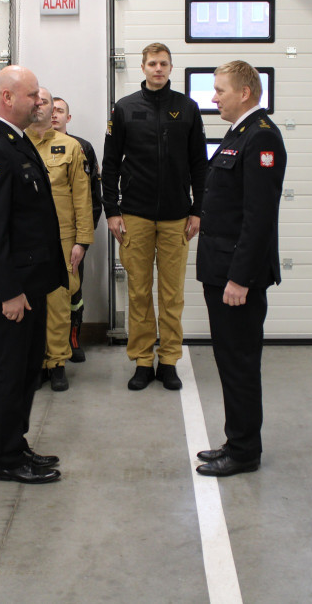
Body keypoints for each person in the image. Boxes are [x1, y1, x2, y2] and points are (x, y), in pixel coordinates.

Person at [0, 65, 66, 484]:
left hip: (31, 284)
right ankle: (6, 459)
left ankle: (17, 443)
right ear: (7, 97)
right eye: (32, 97)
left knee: (27, 370)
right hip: (13, 290)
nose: (38, 103)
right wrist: (8, 292)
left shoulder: (16, 142)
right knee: (10, 374)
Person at [195, 61, 287, 477]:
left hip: (236, 277)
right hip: (220, 269)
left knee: (240, 364)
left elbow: (259, 217)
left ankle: (245, 452)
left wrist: (240, 278)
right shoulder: (238, 134)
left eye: (220, 90)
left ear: (245, 93)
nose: (213, 97)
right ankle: (236, 440)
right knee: (229, 360)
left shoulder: (262, 138)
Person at [102, 42, 207, 391]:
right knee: (139, 291)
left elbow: (199, 165)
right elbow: (110, 164)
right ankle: (143, 360)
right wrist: (112, 212)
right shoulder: (125, 108)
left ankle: (169, 360)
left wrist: (198, 210)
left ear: (171, 67)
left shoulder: (187, 109)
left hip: (178, 216)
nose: (158, 69)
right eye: (152, 63)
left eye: (163, 63)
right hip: (135, 216)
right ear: (143, 68)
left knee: (172, 292)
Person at [26, 89, 93, 391]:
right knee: (31, 303)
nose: (40, 107)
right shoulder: (17, 144)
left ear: (54, 109)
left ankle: (57, 362)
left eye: (45, 102)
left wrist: (82, 241)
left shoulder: (71, 147)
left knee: (58, 302)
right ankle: (37, 361)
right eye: (35, 102)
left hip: (63, 239)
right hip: (27, 241)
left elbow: (83, 197)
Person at [51, 96, 102, 363]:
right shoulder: (31, 145)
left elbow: (93, 196)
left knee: (73, 290)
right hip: (46, 237)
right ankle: (49, 346)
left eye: (60, 111)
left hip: (73, 237)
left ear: (68, 118)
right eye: (52, 110)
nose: (55, 115)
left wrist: (83, 239)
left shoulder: (82, 147)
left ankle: (73, 339)